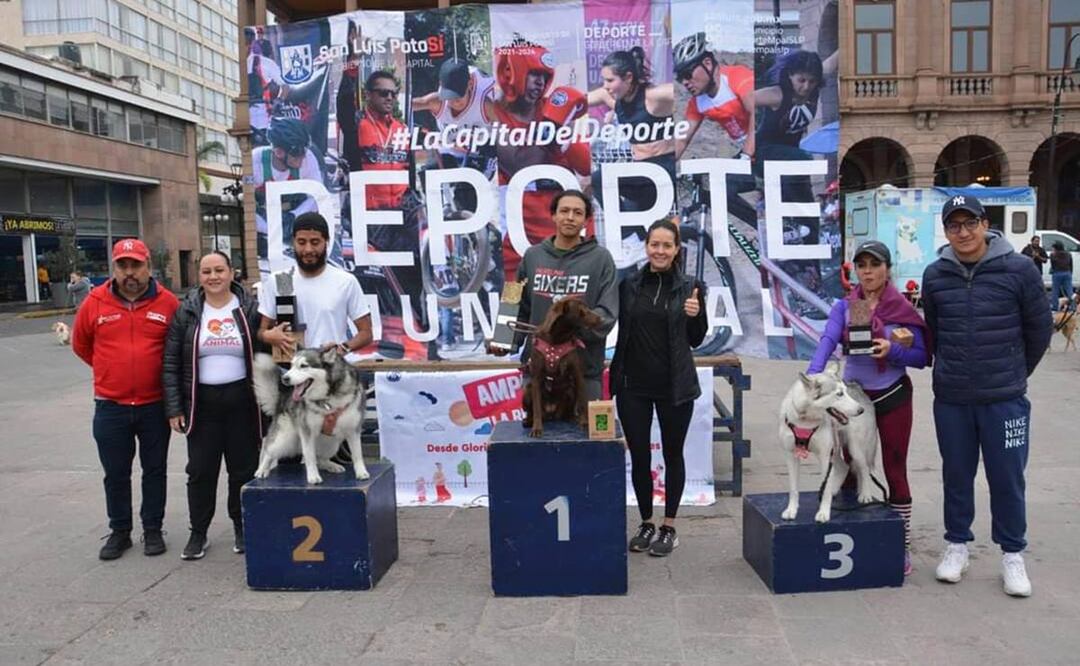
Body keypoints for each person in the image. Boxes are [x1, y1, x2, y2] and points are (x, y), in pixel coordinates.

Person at [922, 194, 1051, 597]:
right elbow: (935, 331)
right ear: (946, 231)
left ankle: (1012, 554)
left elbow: (1039, 329)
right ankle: (956, 545)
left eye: (969, 223)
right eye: (953, 225)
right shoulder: (935, 275)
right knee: (956, 474)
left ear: (984, 224)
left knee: (1007, 478)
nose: (963, 232)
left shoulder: (1020, 269)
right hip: (953, 397)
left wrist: (1014, 373)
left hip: (1004, 399)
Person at [807, 240, 930, 575]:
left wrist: (893, 350)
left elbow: (922, 357)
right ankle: (851, 537)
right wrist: (814, 374)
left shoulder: (901, 308)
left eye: (875, 265)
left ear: (887, 268)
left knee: (894, 467)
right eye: (861, 265)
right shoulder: (848, 306)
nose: (868, 272)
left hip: (892, 395)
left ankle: (901, 545)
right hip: (853, 398)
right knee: (847, 465)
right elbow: (828, 340)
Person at [71, 239, 179, 560]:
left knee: (154, 470)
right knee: (116, 473)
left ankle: (153, 529)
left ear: (148, 266)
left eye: (136, 265)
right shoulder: (94, 302)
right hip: (111, 406)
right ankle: (120, 532)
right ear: (114, 268)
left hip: (154, 405)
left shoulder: (168, 303)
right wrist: (109, 370)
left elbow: (177, 349)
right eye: (123, 266)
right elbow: (81, 344)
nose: (129, 272)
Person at [609, 218, 707, 557]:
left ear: (677, 249)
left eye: (667, 245)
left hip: (674, 387)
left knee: (672, 454)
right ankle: (647, 522)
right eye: (655, 244)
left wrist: (695, 315)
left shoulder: (691, 287)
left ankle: (669, 526)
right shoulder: (629, 285)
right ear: (646, 246)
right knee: (639, 456)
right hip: (633, 386)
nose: (660, 251)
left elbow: (696, 339)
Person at [163, 252, 263, 561]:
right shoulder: (187, 311)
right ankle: (198, 532)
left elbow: (265, 349)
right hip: (201, 405)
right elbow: (171, 362)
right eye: (206, 271)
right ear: (199, 276)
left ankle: (242, 527)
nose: (213, 276)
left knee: (243, 470)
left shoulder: (250, 309)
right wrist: (174, 408)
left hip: (242, 404)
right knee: (200, 471)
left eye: (219, 270)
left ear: (232, 272)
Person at [490, 190, 617, 401]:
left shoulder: (601, 259)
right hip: (538, 372)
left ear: (586, 220)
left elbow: (607, 313)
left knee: (586, 424)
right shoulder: (532, 256)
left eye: (578, 213)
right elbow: (512, 301)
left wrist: (563, 333)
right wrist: (503, 340)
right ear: (554, 215)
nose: (570, 217)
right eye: (564, 211)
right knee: (535, 423)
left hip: (583, 373)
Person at [491, 38, 592, 281]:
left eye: (545, 76)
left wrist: (564, 138)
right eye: (534, 73)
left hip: (562, 214)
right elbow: (521, 166)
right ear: (511, 71)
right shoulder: (494, 114)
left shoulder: (555, 106)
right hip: (520, 222)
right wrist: (551, 127)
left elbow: (585, 165)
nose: (541, 82)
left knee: (571, 292)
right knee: (514, 294)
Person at [258, 212, 374, 358]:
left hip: (330, 367)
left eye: (315, 242)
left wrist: (342, 349)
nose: (308, 250)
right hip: (290, 368)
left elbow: (366, 333)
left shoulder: (345, 281)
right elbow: (261, 331)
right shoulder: (280, 280)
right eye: (301, 242)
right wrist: (269, 336)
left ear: (326, 241)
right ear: (293, 242)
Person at [673, 33, 754, 161]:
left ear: (708, 63)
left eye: (687, 74)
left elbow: (757, 115)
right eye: (680, 78)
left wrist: (747, 155)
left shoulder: (738, 77)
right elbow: (681, 140)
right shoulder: (697, 103)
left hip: (769, 143)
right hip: (749, 152)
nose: (684, 82)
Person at [252, 118, 323, 257]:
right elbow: (246, 205)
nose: (303, 156)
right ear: (279, 152)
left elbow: (318, 196)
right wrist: (269, 229)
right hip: (264, 222)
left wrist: (295, 216)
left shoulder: (308, 158)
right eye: (298, 151)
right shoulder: (256, 162)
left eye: (305, 149)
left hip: (296, 218)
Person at [1049, 240, 1074, 310]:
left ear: (1056, 248)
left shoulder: (1053, 255)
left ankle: (1055, 306)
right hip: (1067, 272)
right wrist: (1070, 272)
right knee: (1069, 290)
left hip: (1057, 273)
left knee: (1055, 291)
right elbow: (1071, 264)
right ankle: (1073, 306)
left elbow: (1053, 265)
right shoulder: (1068, 254)